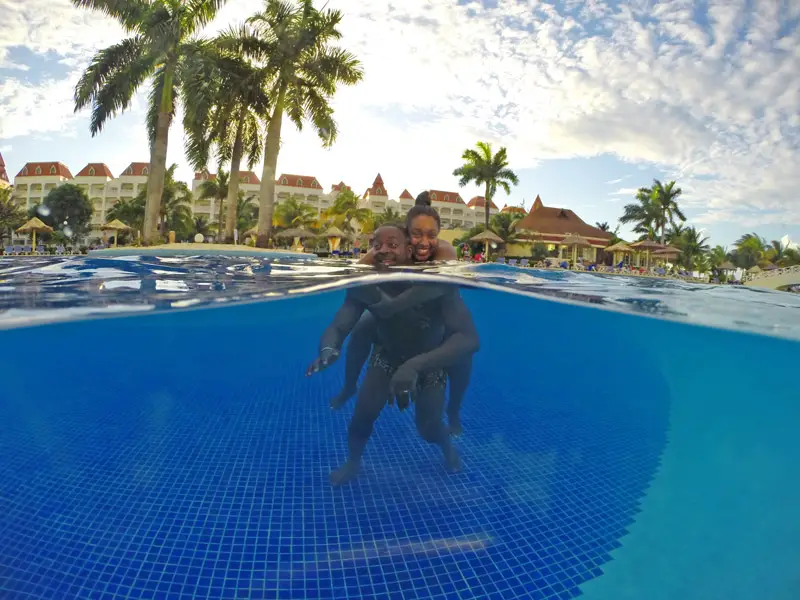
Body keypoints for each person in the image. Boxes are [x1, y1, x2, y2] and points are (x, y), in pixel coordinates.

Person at [307, 224, 480, 486]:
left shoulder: (434, 285)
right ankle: (353, 463)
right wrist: (329, 349)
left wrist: (415, 366)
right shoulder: (366, 284)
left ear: (409, 250)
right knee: (361, 416)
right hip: (387, 357)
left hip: (428, 363)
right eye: (377, 245)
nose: (383, 250)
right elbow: (339, 325)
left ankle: (447, 448)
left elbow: (469, 339)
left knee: (429, 429)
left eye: (392, 244)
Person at [330, 195, 475, 436]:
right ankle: (348, 386)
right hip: (396, 316)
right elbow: (356, 273)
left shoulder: (444, 250)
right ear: (406, 235)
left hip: (436, 312)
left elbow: (440, 286)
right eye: (417, 234)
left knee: (461, 350)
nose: (424, 242)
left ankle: (454, 409)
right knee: (363, 327)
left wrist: (394, 305)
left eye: (431, 235)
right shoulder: (392, 247)